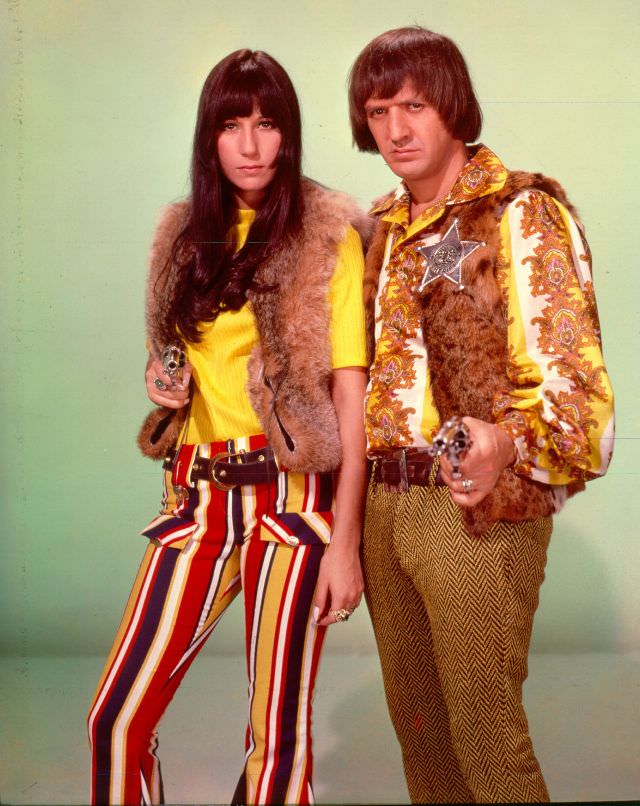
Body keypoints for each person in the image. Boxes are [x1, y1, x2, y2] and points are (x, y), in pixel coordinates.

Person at [88, 49, 369, 806]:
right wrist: (164, 384)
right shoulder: (184, 237)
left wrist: (344, 545)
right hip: (199, 500)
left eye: (268, 123)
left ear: (290, 134)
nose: (251, 144)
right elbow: (182, 365)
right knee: (114, 722)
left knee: (275, 746)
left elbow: (351, 396)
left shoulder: (328, 235)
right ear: (208, 138)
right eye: (232, 124)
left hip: (292, 498)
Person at [348, 27, 614, 804]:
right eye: (376, 110)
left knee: (488, 746)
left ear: (454, 108)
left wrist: (508, 443)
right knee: (423, 747)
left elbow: (582, 398)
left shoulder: (522, 212)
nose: (396, 128)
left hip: (473, 510)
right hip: (384, 509)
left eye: (414, 105)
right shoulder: (379, 231)